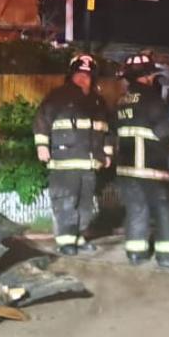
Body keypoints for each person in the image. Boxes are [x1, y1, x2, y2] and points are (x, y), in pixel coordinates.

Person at [114, 52, 169, 269]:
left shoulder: (122, 100)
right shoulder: (151, 97)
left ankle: (136, 253)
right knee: (164, 207)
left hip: (126, 167)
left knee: (136, 208)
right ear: (148, 76)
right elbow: (165, 128)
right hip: (150, 166)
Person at [35, 53, 113, 255]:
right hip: (64, 161)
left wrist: (107, 152)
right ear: (71, 75)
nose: (83, 79)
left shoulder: (97, 102)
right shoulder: (57, 97)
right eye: (79, 75)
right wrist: (42, 145)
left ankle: (78, 238)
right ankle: (66, 242)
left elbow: (107, 129)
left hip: (89, 163)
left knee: (85, 204)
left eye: (87, 76)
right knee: (66, 201)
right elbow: (42, 119)